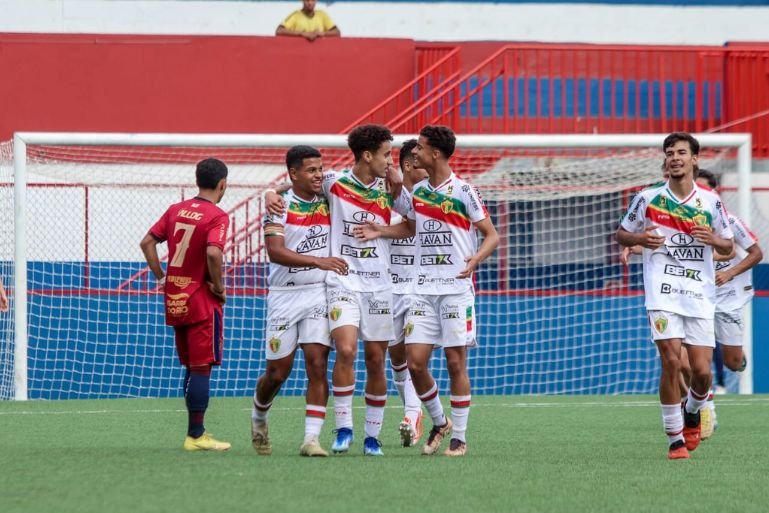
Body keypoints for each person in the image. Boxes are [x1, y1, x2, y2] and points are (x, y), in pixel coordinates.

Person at [355, 125, 499, 457]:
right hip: (423, 290)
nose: (415, 152)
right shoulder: (419, 193)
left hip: (454, 290)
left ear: (435, 154)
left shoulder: (464, 191)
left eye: (420, 147)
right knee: (415, 363)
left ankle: (459, 436)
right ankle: (439, 421)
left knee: (454, 362)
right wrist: (380, 229)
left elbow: (491, 235)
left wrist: (475, 259)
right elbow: (409, 225)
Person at [265, 124, 407, 456]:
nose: (391, 161)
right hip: (342, 281)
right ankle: (343, 429)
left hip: (378, 284)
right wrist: (271, 192)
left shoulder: (392, 187)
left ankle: (372, 437)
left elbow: (411, 224)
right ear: (368, 155)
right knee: (345, 350)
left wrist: (381, 231)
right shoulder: (335, 182)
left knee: (376, 359)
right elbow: (300, 181)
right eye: (387, 154)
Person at [616, 132, 734, 460]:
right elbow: (621, 234)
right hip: (662, 292)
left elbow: (729, 246)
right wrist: (639, 237)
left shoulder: (710, 202)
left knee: (702, 372)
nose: (675, 157)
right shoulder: (648, 198)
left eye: (681, 152)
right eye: (670, 153)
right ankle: (674, 439)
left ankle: (694, 411)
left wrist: (711, 238)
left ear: (695, 159)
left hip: (698, 292)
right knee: (670, 361)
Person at [250, 146, 348, 457]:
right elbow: (275, 252)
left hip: (318, 293)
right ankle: (259, 416)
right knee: (278, 372)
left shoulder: (329, 199)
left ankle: (311, 440)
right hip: (283, 295)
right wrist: (270, 191)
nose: (319, 175)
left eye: (320, 169)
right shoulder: (280, 206)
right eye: (311, 170)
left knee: (317, 364)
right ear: (294, 173)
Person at [140, 158, 232, 452]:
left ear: (197, 181)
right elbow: (214, 254)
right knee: (202, 368)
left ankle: (195, 431)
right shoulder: (217, 215)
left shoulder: (175, 210)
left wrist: (161, 277)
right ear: (222, 184)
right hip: (201, 300)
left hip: (175, 298)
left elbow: (147, 243)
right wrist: (218, 286)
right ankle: (196, 435)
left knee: (192, 368)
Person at [694, 168, 763, 438]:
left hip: (730, 295)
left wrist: (730, 272)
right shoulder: (683, 221)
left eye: (703, 189)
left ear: (714, 194)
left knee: (733, 362)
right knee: (699, 355)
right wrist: (635, 245)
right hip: (697, 295)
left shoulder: (729, 221)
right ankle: (705, 408)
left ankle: (738, 357)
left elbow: (757, 253)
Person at [389, 139, 428, 447]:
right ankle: (413, 414)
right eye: (422, 161)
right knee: (397, 360)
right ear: (408, 166)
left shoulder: (432, 199)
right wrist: (272, 191)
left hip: (421, 289)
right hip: (388, 289)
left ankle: (413, 415)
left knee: (416, 358)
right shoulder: (385, 198)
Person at [276, 0, 340, 42]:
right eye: (307, 0)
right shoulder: (296, 15)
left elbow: (337, 32)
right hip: (300, 51)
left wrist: (320, 33)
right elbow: (279, 31)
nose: (310, 3)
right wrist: (302, 33)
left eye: (312, 1)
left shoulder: (322, 15)